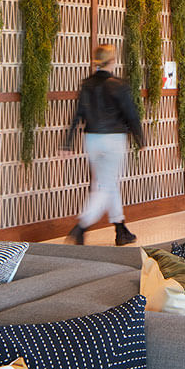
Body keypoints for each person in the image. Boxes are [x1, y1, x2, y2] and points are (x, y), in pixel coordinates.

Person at [60, 44, 146, 245]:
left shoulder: (87, 84)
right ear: (113, 60)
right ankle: (81, 226)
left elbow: (77, 115)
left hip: (91, 138)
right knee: (105, 186)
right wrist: (139, 138)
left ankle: (121, 228)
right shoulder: (119, 85)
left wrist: (67, 143)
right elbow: (131, 115)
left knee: (108, 182)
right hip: (113, 140)